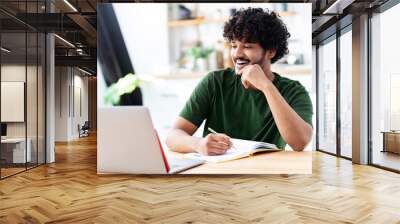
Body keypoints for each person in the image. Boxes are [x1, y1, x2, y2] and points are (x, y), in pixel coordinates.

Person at [166, 8, 313, 155]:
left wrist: (266, 86)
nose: (237, 54)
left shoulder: (293, 91)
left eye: (248, 46)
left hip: (266, 173)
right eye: (234, 46)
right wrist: (198, 144)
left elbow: (300, 143)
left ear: (271, 51)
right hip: (218, 172)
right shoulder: (215, 82)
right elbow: (173, 137)